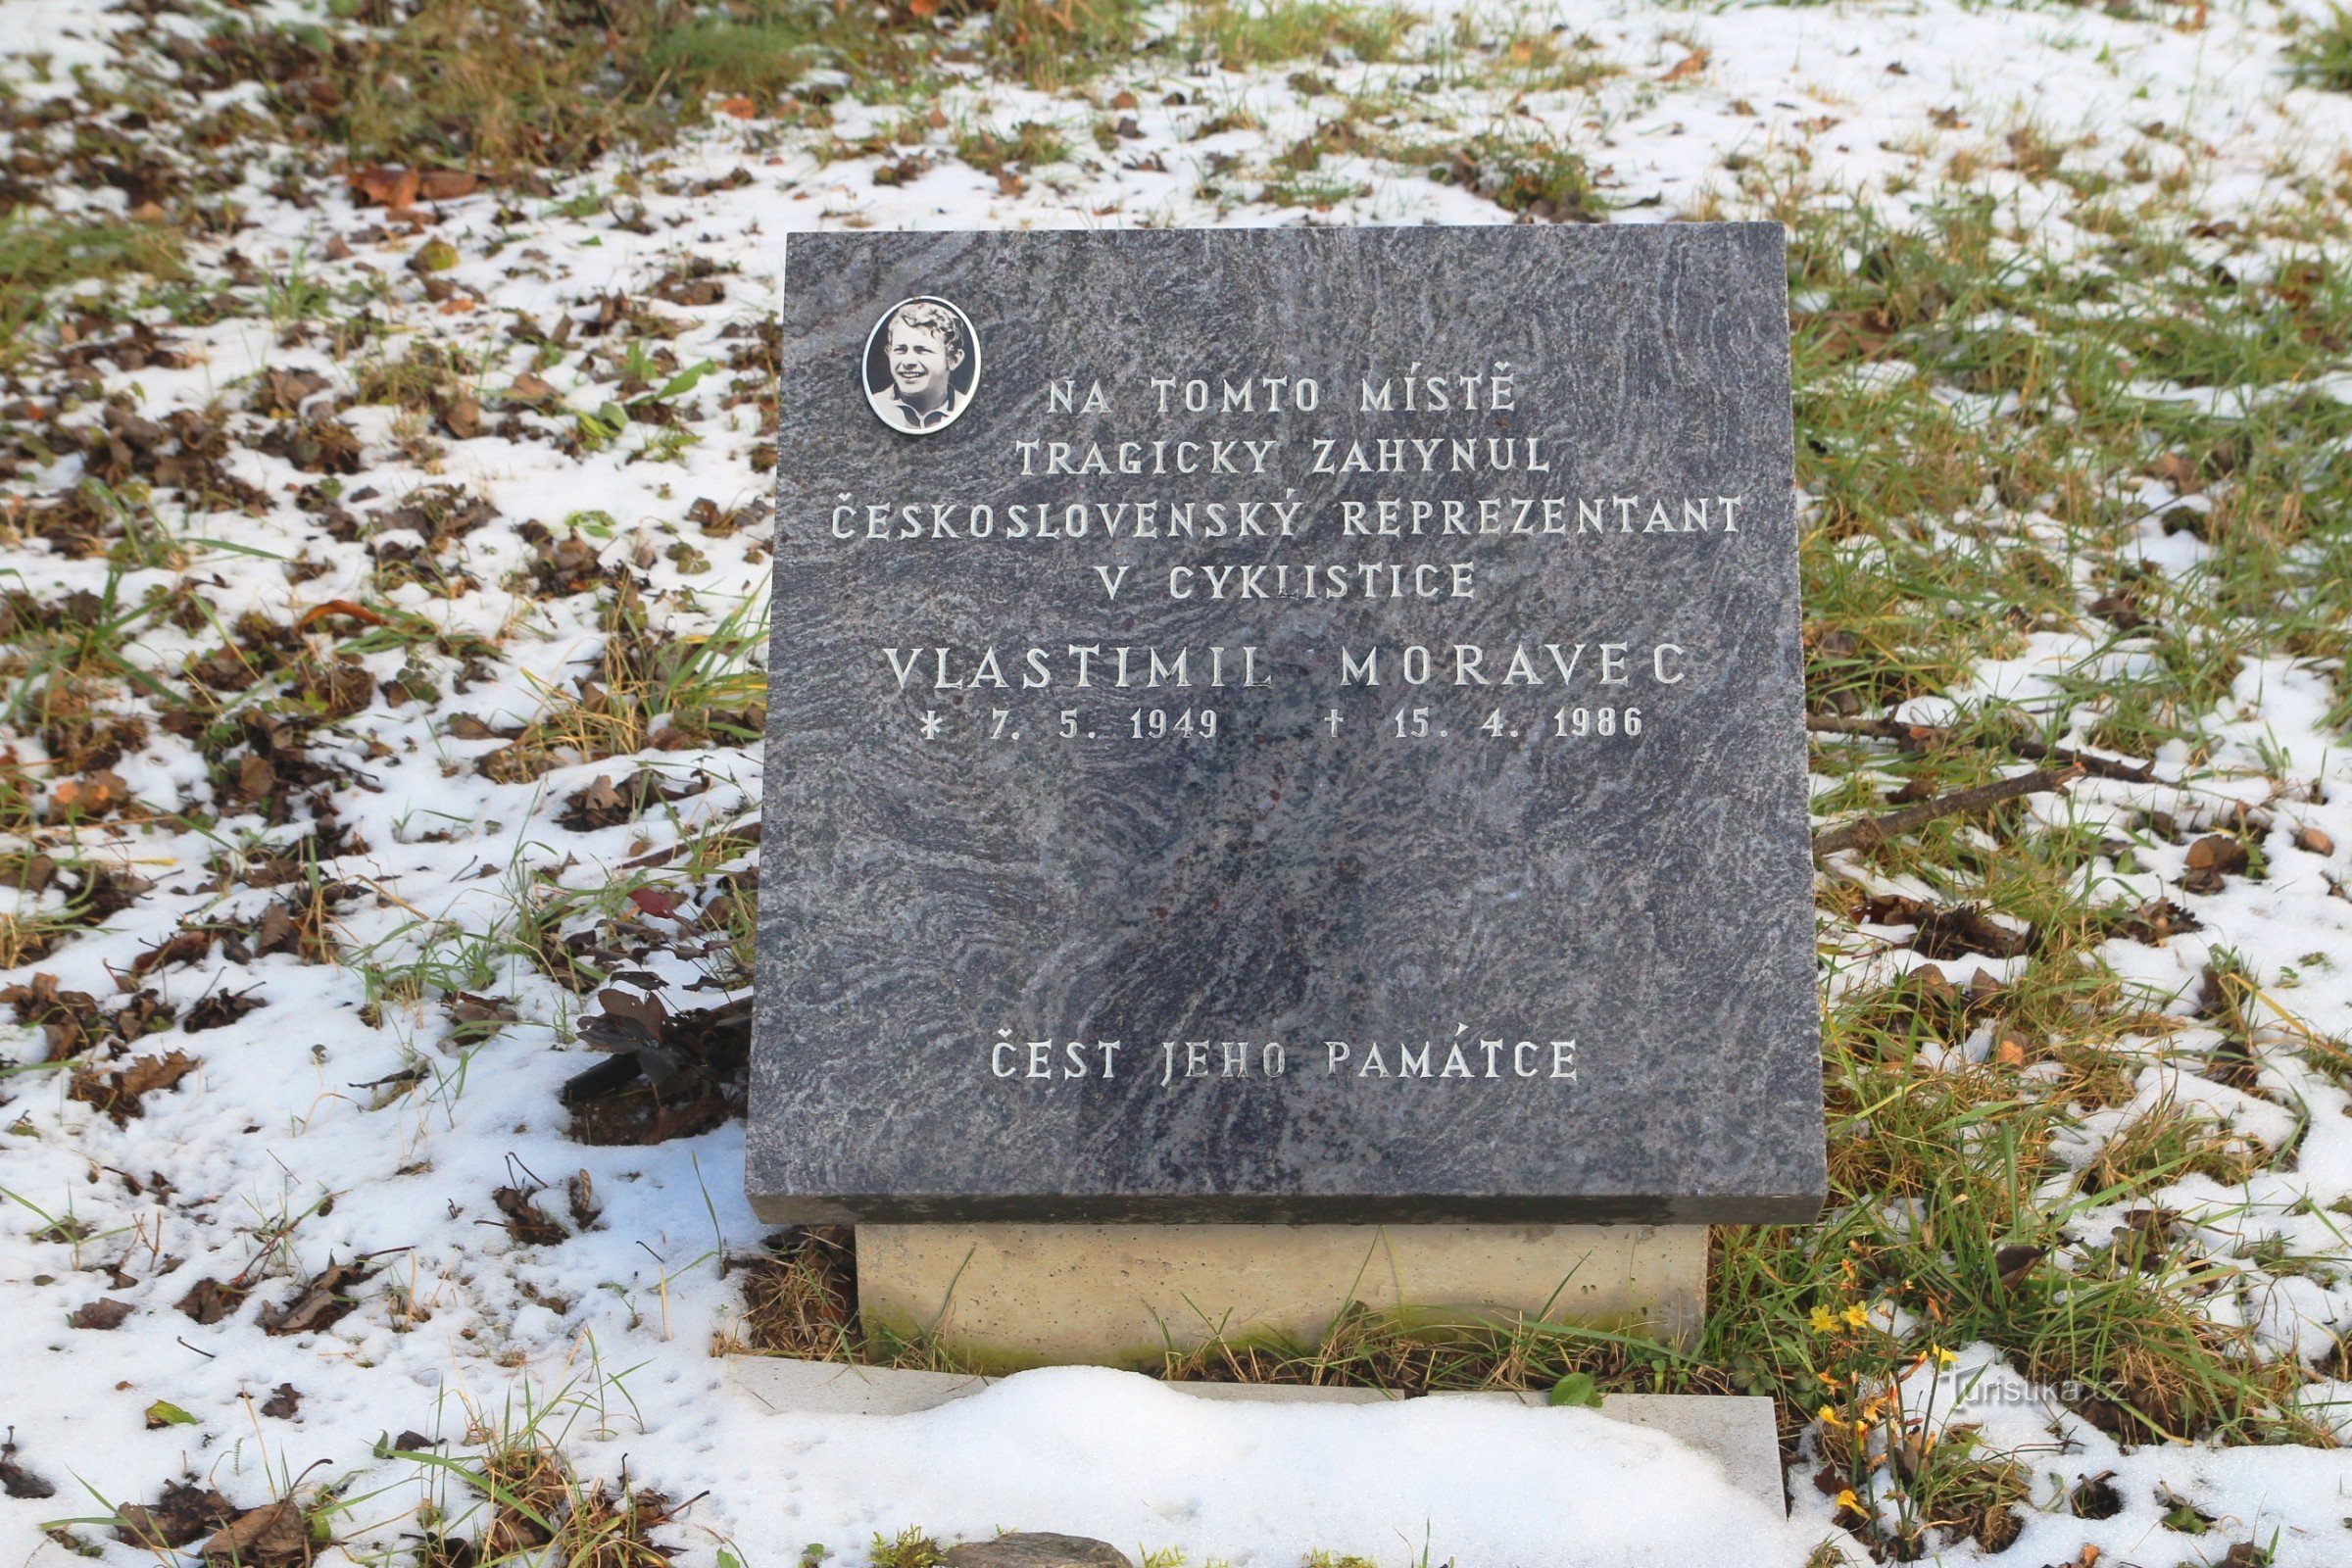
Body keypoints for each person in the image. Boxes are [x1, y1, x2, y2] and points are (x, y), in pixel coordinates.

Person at [871, 300, 972, 432]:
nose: (908, 362)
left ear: (953, 359)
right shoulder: (877, 404)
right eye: (900, 350)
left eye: (922, 350)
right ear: (889, 353)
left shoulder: (968, 409)